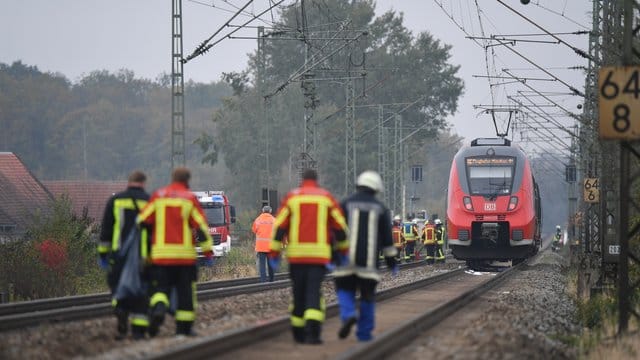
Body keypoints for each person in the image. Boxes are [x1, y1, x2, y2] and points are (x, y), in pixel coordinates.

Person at [268, 168, 348, 345]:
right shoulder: (326, 198)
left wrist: (274, 254)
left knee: (298, 292)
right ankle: (313, 333)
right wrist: (343, 251)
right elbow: (341, 228)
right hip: (319, 257)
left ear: (302, 180)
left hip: (296, 257)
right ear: (316, 180)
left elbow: (279, 227)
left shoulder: (292, 198)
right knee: (313, 291)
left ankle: (298, 332)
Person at [137, 167, 214, 337]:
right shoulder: (190, 199)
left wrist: (147, 247)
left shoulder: (158, 196)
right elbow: (201, 227)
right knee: (185, 293)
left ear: (172, 178)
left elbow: (142, 220)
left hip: (161, 257)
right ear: (187, 180)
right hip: (184, 258)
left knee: (160, 290)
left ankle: (158, 309)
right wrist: (208, 252)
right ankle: (183, 329)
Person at [334, 170, 398, 342]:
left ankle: (348, 314)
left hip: (345, 261)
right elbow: (387, 240)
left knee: (344, 290)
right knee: (367, 297)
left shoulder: (345, 204)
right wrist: (392, 263)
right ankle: (364, 334)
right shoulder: (382, 209)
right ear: (376, 188)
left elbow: (334, 230)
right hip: (369, 265)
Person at [98, 170, 150, 340]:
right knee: (141, 292)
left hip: (119, 256)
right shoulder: (150, 202)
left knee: (118, 286)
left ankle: (120, 312)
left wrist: (104, 255)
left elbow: (106, 230)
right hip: (144, 258)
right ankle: (138, 331)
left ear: (129, 182)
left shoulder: (115, 200)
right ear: (144, 183)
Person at [252, 205, 275, 282]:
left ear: (262, 211)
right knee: (270, 264)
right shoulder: (274, 220)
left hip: (260, 247)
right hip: (271, 247)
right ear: (270, 211)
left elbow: (254, 230)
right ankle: (271, 280)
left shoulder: (258, 220)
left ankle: (263, 281)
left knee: (262, 265)